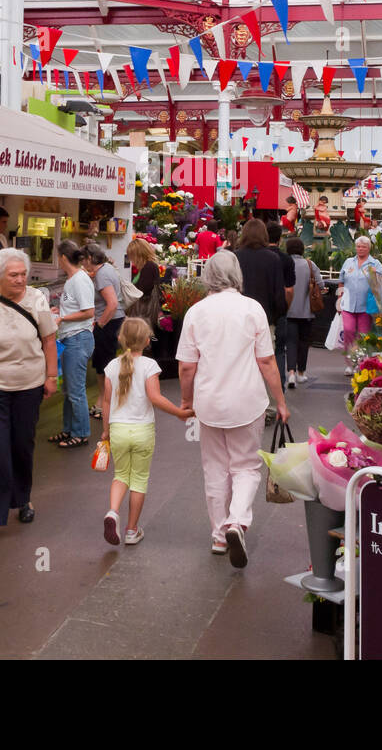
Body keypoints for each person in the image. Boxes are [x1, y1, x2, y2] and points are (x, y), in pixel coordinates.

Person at [177, 251, 288, 569]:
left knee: (214, 468)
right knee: (246, 467)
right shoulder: (253, 309)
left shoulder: (196, 312)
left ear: (207, 275)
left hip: (209, 402)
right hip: (248, 401)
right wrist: (280, 401)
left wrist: (186, 401)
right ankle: (237, 522)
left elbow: (186, 366)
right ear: (237, 274)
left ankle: (217, 534)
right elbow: (266, 361)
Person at [0, 248, 58, 544]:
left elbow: (49, 339)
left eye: (23, 274)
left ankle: (23, 498)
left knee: (21, 445)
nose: (20, 280)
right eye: (13, 275)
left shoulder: (37, 299)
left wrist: (51, 375)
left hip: (29, 386)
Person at [101, 318, 194, 546]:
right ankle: (132, 530)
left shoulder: (111, 367)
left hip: (119, 429)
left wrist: (106, 432)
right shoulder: (150, 365)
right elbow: (155, 397)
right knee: (139, 480)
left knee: (121, 475)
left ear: (120, 339)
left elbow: (105, 402)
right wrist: (179, 413)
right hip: (142, 431)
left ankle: (113, 512)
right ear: (146, 341)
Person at [49, 240, 95, 449]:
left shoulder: (79, 280)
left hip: (78, 338)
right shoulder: (72, 280)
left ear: (63, 258)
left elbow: (88, 311)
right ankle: (69, 429)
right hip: (70, 338)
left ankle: (81, 433)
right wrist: (60, 313)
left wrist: (62, 319)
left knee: (75, 390)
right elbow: (74, 307)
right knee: (69, 389)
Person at [82, 242, 123, 417]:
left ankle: (105, 404)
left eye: (83, 259)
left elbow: (112, 304)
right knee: (104, 364)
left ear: (90, 258)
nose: (82, 262)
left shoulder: (102, 275)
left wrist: (99, 324)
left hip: (108, 323)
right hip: (113, 322)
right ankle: (104, 401)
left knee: (103, 366)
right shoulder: (105, 269)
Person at [338, 235, 382, 373]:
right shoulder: (348, 262)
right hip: (348, 304)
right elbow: (341, 281)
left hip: (366, 306)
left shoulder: (375, 264)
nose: (360, 249)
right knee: (348, 331)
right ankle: (349, 362)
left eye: (363, 247)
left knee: (363, 335)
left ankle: (360, 362)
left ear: (369, 248)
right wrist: (339, 299)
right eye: (358, 246)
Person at [284, 236, 319, 387]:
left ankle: (290, 373)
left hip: (288, 311)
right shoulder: (310, 265)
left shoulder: (285, 264)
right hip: (306, 312)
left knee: (290, 342)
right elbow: (321, 283)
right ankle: (301, 373)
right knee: (303, 343)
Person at [265, 220, 294, 388]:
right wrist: (285, 306)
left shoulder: (259, 257)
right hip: (279, 311)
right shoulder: (285, 259)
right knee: (279, 350)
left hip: (261, 310)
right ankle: (279, 388)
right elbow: (289, 290)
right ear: (280, 239)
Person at [124, 238, 162, 326]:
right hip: (143, 313)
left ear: (138, 254)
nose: (130, 259)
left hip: (144, 312)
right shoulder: (145, 267)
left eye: (131, 255)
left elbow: (142, 291)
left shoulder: (149, 266)